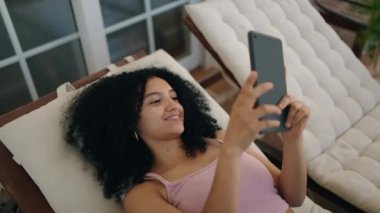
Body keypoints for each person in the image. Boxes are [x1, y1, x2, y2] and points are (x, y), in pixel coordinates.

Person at [63, 67, 309, 213]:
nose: (173, 106)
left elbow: (294, 197)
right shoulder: (144, 195)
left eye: (174, 96)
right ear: (127, 122)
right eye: (156, 101)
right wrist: (232, 153)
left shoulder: (219, 140)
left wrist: (292, 140)